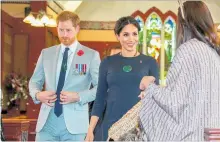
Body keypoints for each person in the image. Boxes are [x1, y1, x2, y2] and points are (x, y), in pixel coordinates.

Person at [139, 1, 220, 141]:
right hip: (216, 137)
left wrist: (149, 87)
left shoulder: (188, 50)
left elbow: (174, 102)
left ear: (184, 23)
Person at [29, 11, 100, 141]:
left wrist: (78, 96)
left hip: (76, 126)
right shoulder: (46, 53)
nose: (64, 35)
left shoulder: (91, 55)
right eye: (61, 30)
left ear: (77, 29)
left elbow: (100, 88)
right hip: (46, 124)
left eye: (68, 30)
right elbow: (34, 82)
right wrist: (38, 95)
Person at [85, 16, 159, 141]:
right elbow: (100, 99)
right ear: (117, 36)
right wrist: (90, 130)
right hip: (111, 127)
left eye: (134, 34)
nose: (131, 39)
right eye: (126, 35)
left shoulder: (150, 62)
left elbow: (157, 98)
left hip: (138, 126)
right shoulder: (108, 62)